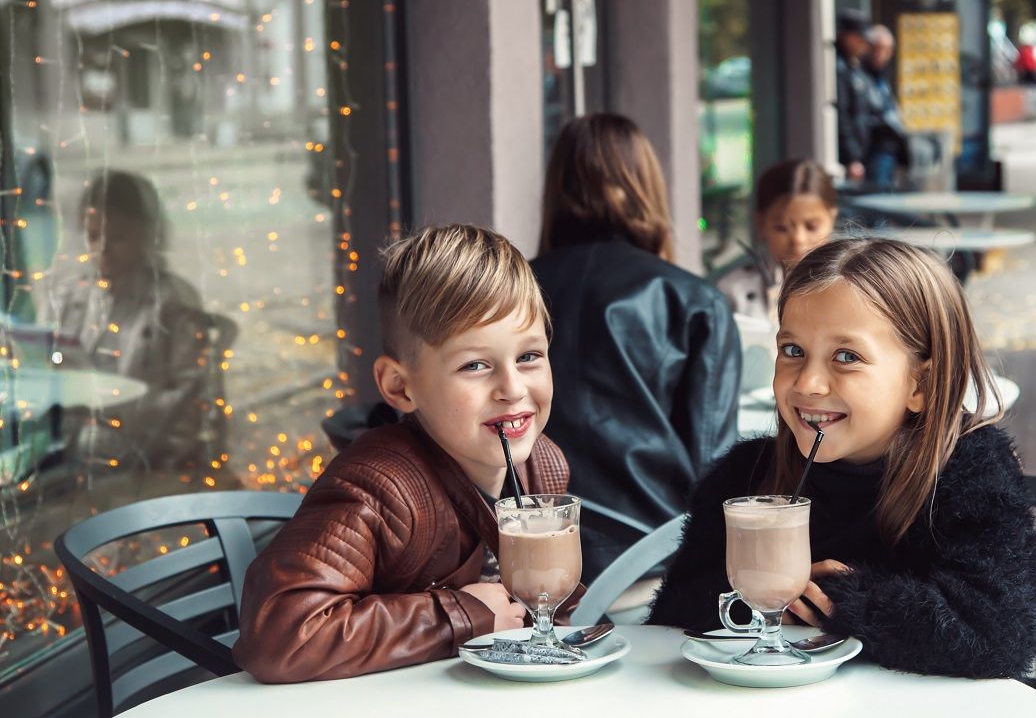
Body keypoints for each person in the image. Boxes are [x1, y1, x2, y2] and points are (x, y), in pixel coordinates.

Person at [648, 238, 1036, 678]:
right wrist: (761, 598)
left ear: (922, 385)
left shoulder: (972, 472)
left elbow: (999, 638)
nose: (808, 383)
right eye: (793, 351)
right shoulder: (745, 476)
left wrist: (838, 597)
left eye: (846, 357)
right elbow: (669, 618)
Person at [233, 225, 571, 683]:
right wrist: (461, 615)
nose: (512, 389)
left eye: (528, 356)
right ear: (400, 386)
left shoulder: (543, 466)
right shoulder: (379, 487)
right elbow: (281, 634)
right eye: (475, 365)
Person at [532, 113, 741, 578]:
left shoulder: (511, 292)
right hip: (650, 564)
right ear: (644, 185)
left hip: (527, 559)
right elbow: (715, 469)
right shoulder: (695, 301)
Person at [37, 169, 213, 472]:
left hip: (141, 454)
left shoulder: (172, 302)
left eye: (117, 239)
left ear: (147, 236)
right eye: (93, 236)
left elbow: (190, 400)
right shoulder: (69, 297)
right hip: (69, 444)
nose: (101, 251)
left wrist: (118, 409)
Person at [716, 159, 838, 322]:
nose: (798, 239)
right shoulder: (732, 291)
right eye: (782, 228)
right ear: (761, 223)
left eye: (811, 227)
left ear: (832, 219)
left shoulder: (851, 288)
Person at [861, 25, 910, 191]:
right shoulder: (860, 76)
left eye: (887, 50)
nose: (881, 55)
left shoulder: (882, 78)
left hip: (890, 151)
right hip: (873, 150)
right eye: (878, 49)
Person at [835, 8, 873, 184]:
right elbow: (842, 115)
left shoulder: (854, 67)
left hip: (860, 154)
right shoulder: (840, 68)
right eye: (861, 40)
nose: (864, 46)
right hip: (847, 158)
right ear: (849, 37)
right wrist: (852, 157)